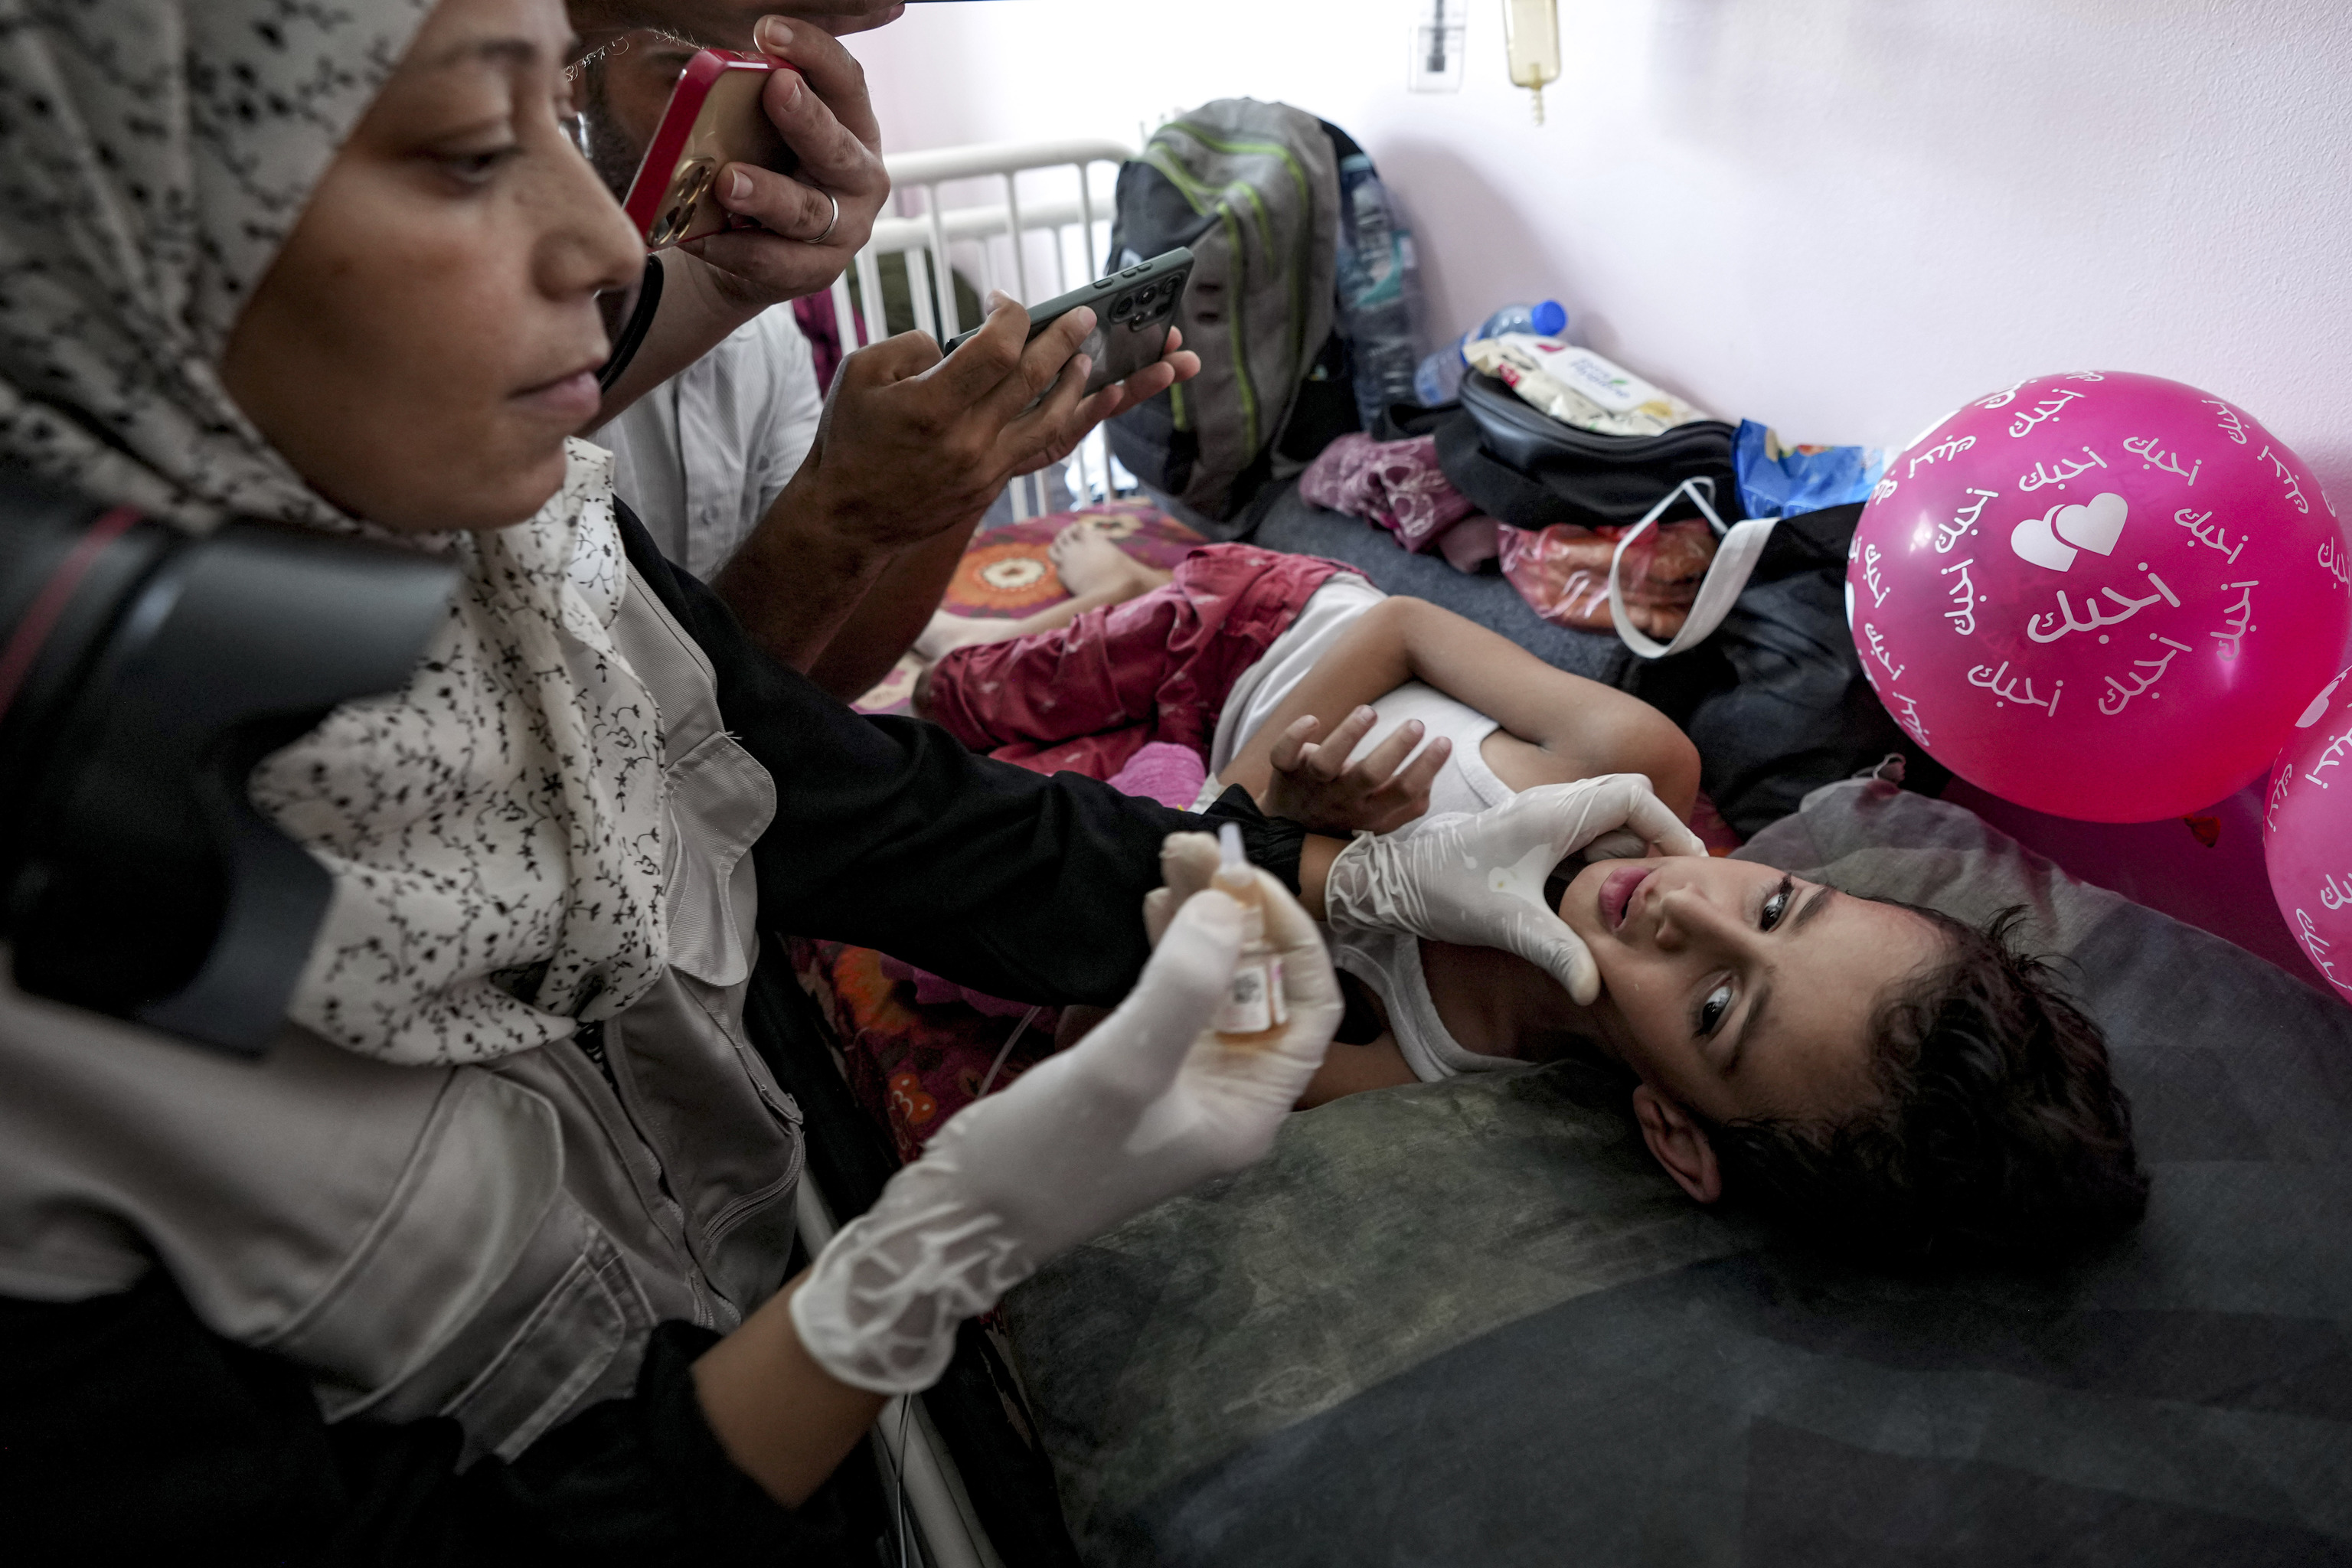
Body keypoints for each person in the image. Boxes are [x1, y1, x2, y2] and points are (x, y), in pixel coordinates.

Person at [0, 0, 1700, 1554]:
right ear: (110, 243)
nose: (608, 243)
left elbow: (858, 805)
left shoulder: (525, 546)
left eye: (567, 112)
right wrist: (905, 1273)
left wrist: (1333, 877)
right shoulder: (53, 1072)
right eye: (466, 150)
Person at [926, 542, 2151, 1259]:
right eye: (1775, 907)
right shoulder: (1631, 769)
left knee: (973, 859)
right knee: (958, 697)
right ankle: (1126, 584)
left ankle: (1118, 639)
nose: (1689, 913)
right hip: (1268, 633)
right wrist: (1247, 807)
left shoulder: (1408, 1063)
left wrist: (1271, 845)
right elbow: (1401, 627)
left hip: (1208, 788)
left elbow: (1110, 1020)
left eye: (1719, 1004)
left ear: (1674, 1128)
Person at [578, 30, 827, 580]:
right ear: (574, 80)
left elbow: (775, 641)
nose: (723, 142)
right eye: (684, 80)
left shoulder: (770, 334)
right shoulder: (540, 335)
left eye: (746, 92)